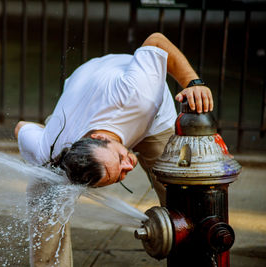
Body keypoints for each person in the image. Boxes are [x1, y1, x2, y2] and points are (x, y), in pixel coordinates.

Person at [15, 32, 213, 266]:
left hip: (147, 112)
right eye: (120, 175)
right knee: (45, 192)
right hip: (83, 87)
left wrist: (193, 83)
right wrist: (49, 136)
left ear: (99, 137)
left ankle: (197, 259)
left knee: (182, 194)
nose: (131, 163)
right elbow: (20, 128)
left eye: (121, 157)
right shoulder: (51, 149)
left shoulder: (137, 93)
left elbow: (156, 41)